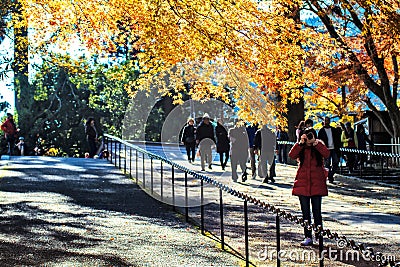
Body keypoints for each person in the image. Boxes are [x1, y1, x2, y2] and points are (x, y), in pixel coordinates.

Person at [288, 127, 330, 246]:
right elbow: (291, 155)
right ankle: (307, 236)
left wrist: (316, 143)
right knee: (305, 213)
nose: (309, 139)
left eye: (310, 136)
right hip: (303, 184)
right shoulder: (301, 147)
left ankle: (319, 235)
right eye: (307, 136)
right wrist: (300, 143)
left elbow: (326, 154)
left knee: (317, 212)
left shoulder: (318, 146)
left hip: (316, 185)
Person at [317, 117, 342, 183]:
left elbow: (337, 139)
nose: (326, 122)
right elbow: (319, 141)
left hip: (334, 148)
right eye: (325, 121)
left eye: (328, 121)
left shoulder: (333, 130)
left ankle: (331, 174)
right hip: (326, 149)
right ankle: (330, 176)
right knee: (327, 164)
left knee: (336, 162)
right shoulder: (321, 131)